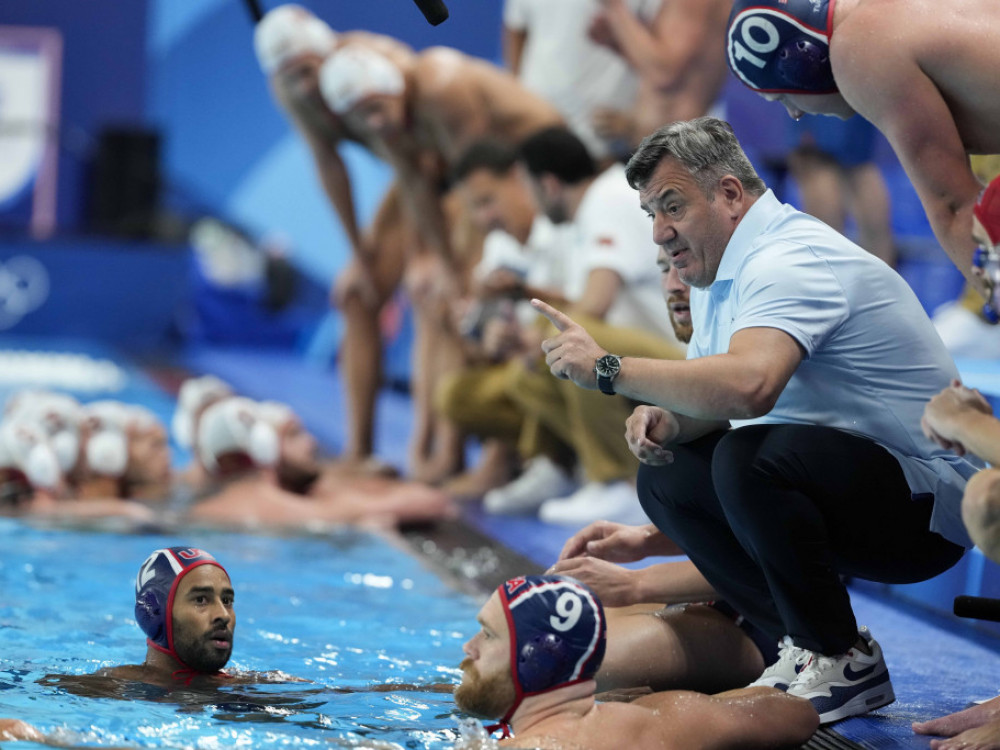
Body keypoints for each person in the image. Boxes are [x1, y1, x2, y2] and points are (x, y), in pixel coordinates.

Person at [531, 116, 978, 723]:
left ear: (730, 194)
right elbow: (727, 403)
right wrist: (670, 422)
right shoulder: (719, 270)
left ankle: (841, 656)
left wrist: (609, 369)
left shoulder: (789, 257)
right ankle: (795, 645)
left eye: (672, 207)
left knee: (749, 458)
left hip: (927, 514)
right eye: (651, 215)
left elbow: (750, 389)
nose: (661, 233)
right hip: (858, 488)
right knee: (668, 475)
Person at [318, 40, 564, 483]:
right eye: (364, 119)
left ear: (394, 88)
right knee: (440, 292)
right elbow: (416, 186)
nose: (376, 123)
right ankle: (420, 447)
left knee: (470, 299)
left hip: (539, 184)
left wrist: (462, 278)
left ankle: (488, 453)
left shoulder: (440, 85)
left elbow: (477, 179)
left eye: (378, 109)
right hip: (491, 192)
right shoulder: (376, 113)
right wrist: (444, 269)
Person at [724, 0, 1000, 290]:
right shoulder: (880, 17)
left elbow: (954, 207)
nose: (795, 113)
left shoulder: (857, 49)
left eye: (782, 98)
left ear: (803, 60)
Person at [255, 6, 416, 476]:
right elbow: (329, 163)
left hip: (434, 174)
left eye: (308, 72)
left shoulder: (370, 64)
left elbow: (412, 157)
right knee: (358, 296)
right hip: (406, 185)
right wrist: (359, 253)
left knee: (437, 299)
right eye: (291, 77)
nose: (305, 87)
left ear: (323, 52)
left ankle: (439, 455)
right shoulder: (290, 89)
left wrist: (374, 246)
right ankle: (359, 453)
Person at [454, 573, 819, 748]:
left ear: (539, 658)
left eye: (487, 634)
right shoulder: (661, 724)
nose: (469, 647)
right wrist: (656, 708)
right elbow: (798, 714)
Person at [187, 396, 455, 530]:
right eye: (293, 435)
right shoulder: (266, 502)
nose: (312, 443)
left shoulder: (203, 506)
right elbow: (431, 502)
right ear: (265, 447)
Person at [502, 0, 657, 162]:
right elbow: (516, 30)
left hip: (612, 143)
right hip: (540, 138)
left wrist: (637, 122)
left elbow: (668, 66)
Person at [587, 0, 731, 149]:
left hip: (677, 151)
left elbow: (664, 74)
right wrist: (619, 44)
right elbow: (682, 74)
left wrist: (615, 8)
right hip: (670, 144)